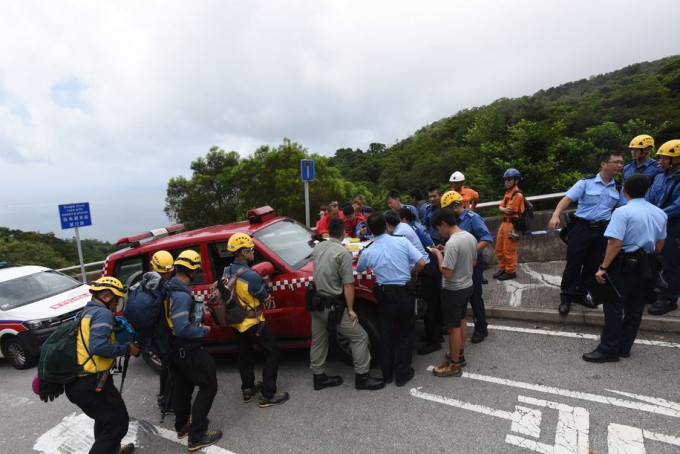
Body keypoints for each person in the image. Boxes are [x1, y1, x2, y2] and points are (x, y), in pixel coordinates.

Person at [583, 174, 667, 362]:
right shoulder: (660, 213)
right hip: (648, 266)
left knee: (613, 305)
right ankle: (624, 347)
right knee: (635, 308)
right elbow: (660, 245)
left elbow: (614, 243)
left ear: (624, 190)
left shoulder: (622, 212)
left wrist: (603, 268)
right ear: (647, 190)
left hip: (624, 264)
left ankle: (609, 349)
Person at [65, 276, 139, 454]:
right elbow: (98, 346)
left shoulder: (86, 312)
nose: (116, 306)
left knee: (105, 420)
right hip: (91, 383)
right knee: (117, 425)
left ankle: (111, 450)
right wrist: (127, 348)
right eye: (116, 301)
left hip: (81, 382)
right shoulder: (102, 313)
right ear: (106, 296)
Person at [310, 218, 384, 391]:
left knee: (319, 339)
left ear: (329, 231)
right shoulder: (343, 253)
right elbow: (348, 284)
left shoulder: (319, 247)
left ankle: (318, 377)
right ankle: (362, 377)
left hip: (315, 301)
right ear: (344, 233)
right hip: (331, 304)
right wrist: (351, 310)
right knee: (359, 336)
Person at [548, 151, 626, 316]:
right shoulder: (586, 183)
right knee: (574, 264)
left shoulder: (619, 187)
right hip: (581, 228)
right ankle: (566, 297)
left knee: (592, 266)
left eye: (621, 162)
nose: (620, 165)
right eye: (616, 162)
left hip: (602, 231)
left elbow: (622, 209)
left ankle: (580, 294)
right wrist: (556, 215)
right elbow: (567, 199)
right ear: (604, 164)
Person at [356, 213, 425, 386]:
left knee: (386, 335)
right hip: (404, 293)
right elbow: (422, 263)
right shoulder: (401, 241)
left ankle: (387, 374)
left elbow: (360, 268)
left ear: (370, 230)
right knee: (405, 334)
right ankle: (402, 374)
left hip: (385, 296)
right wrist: (412, 273)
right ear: (387, 225)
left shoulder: (369, 250)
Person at [165, 250, 222, 451]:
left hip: (174, 349)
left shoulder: (169, 287)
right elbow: (181, 327)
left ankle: (182, 426)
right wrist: (202, 331)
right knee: (208, 384)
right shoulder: (181, 295)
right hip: (186, 347)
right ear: (193, 270)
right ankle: (197, 435)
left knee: (183, 387)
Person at [225, 233, 289, 407]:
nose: (253, 252)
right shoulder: (251, 276)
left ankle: (248, 389)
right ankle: (267, 395)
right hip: (253, 323)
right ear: (244, 252)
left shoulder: (227, 270)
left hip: (236, 322)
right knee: (272, 352)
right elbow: (265, 296)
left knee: (245, 355)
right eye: (251, 249)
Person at [429, 209, 477, 377]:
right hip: (467, 286)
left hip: (453, 290)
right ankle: (459, 353)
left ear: (443, 224)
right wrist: (446, 253)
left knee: (452, 327)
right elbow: (473, 262)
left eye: (437, 228)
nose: (438, 232)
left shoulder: (452, 243)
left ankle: (454, 365)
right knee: (462, 319)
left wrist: (437, 254)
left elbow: (447, 273)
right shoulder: (469, 237)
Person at [441, 190, 493, 343]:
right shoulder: (454, 220)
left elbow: (486, 238)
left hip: (473, 263)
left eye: (448, 209)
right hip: (458, 263)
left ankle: (481, 328)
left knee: (475, 295)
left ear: (456, 205)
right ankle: (457, 325)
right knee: (460, 295)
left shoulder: (472, 218)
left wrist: (469, 251)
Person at [132, 250, 175, 414]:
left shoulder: (144, 281)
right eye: (165, 272)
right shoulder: (162, 288)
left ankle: (164, 397)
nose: (167, 275)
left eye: (169, 272)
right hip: (162, 334)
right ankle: (167, 403)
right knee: (172, 368)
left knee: (166, 367)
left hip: (151, 335)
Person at [646, 139, 680, 315]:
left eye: (665, 158)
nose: (660, 161)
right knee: (653, 258)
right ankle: (654, 290)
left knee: (671, 261)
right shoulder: (659, 176)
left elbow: (677, 206)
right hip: (658, 223)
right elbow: (650, 197)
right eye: (660, 158)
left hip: (674, 225)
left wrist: (656, 215)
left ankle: (670, 297)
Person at [494, 168, 525, 281]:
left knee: (509, 250)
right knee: (499, 248)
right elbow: (502, 207)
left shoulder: (518, 195)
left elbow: (509, 210)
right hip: (504, 223)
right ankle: (503, 268)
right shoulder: (508, 193)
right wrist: (502, 208)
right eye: (505, 179)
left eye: (509, 179)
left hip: (512, 224)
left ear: (516, 181)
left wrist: (502, 208)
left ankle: (510, 271)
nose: (506, 182)